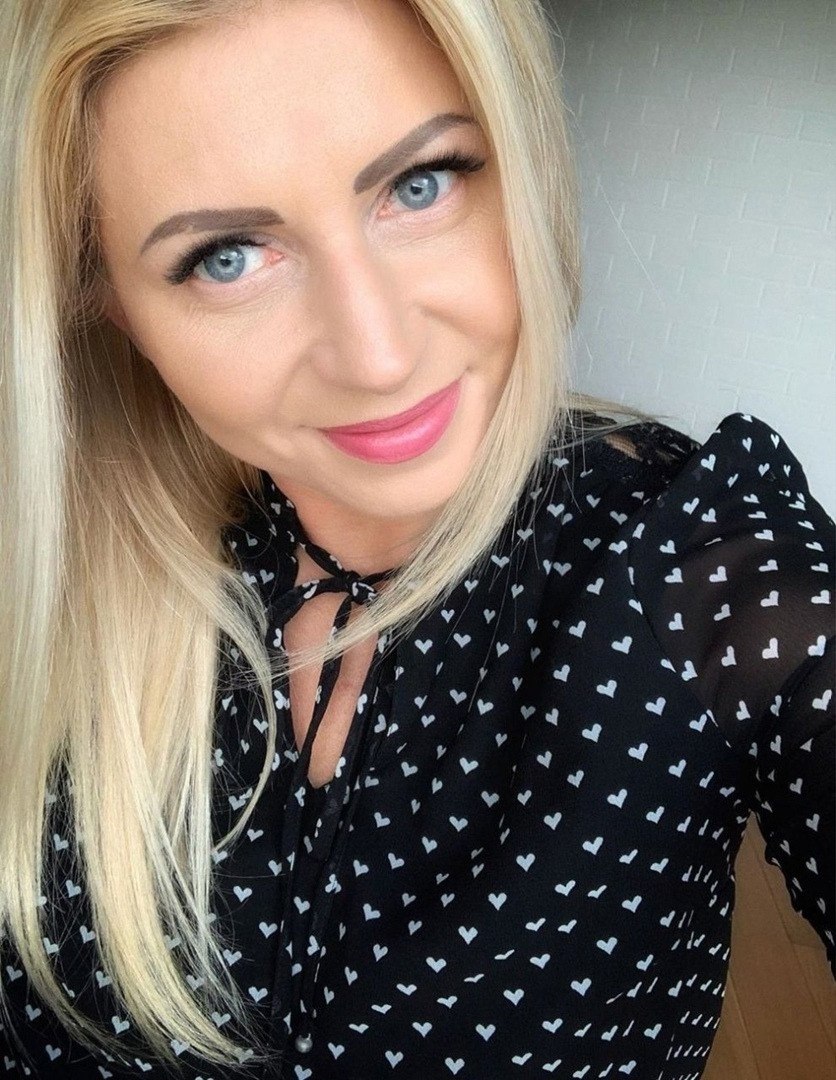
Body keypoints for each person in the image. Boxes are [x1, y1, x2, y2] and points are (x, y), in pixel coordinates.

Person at [0, 0, 832, 1078]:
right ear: (107, 299)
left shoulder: (706, 567)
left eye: (421, 183)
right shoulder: (55, 584)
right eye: (227, 256)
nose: (378, 354)